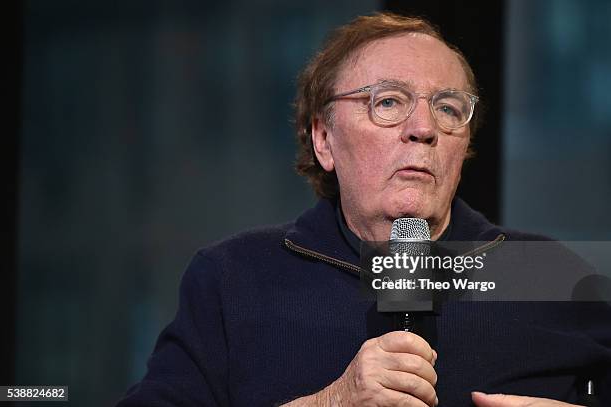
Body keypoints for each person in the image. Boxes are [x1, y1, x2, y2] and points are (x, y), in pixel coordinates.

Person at [116, 13, 611, 407]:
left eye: (447, 108)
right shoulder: (234, 278)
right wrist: (331, 404)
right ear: (324, 139)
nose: (424, 128)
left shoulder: (550, 274)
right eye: (389, 103)